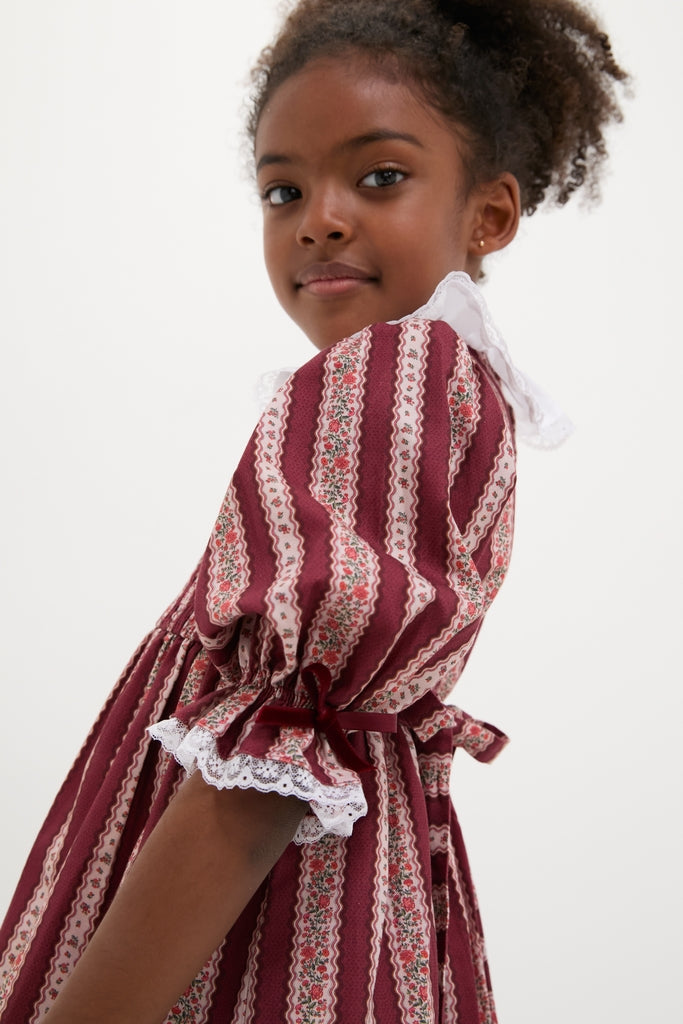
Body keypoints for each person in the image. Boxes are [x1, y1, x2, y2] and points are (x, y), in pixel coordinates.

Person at [0, 1, 627, 1021]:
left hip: (270, 897)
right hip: (359, 868)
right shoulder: (456, 380)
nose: (318, 217)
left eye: (379, 176)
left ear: (489, 214)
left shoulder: (394, 371)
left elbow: (261, 773)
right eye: (282, 188)